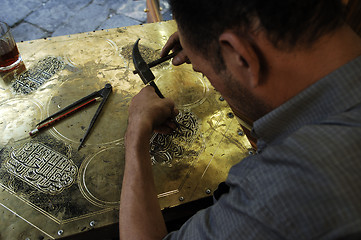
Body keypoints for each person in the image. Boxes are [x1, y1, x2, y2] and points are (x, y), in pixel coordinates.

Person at [119, 0, 361, 239]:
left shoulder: (280, 194)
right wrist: (205, 45)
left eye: (205, 73)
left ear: (242, 57)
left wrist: (137, 129)